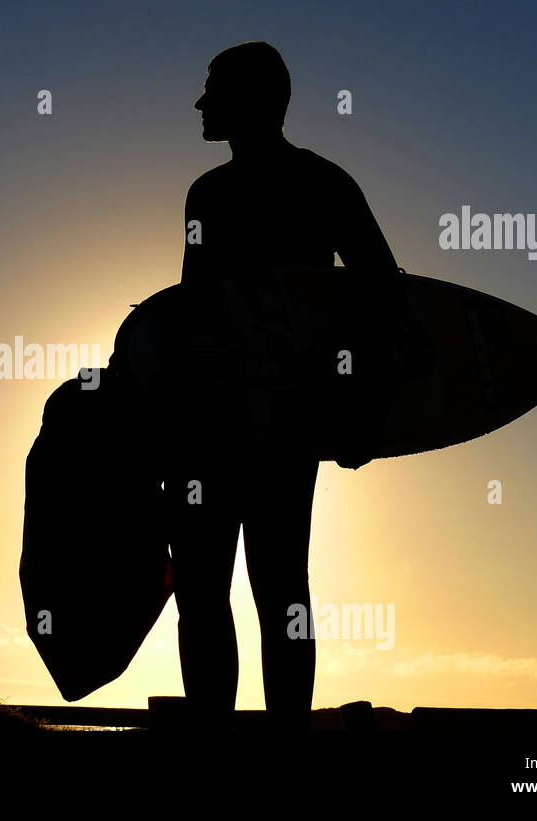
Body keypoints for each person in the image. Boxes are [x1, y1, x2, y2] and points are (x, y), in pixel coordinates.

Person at [170, 41, 403, 730]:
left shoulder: (323, 184)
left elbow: (381, 295)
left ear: (252, 98)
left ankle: (287, 750)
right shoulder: (206, 193)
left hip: (283, 419)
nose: (200, 104)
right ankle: (220, 740)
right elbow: (191, 313)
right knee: (203, 588)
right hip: (211, 422)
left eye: (213, 90)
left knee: (278, 588)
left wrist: (362, 408)